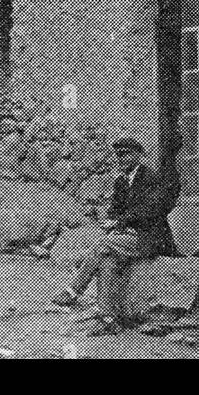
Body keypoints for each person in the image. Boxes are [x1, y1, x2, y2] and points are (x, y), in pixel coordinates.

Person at [54, 137, 176, 333]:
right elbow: (114, 210)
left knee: (103, 246)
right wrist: (113, 221)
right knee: (106, 260)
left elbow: (151, 211)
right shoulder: (120, 182)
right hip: (126, 237)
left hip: (151, 237)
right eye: (119, 156)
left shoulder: (151, 178)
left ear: (138, 155)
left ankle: (73, 291)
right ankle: (108, 319)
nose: (122, 160)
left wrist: (121, 222)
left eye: (126, 155)